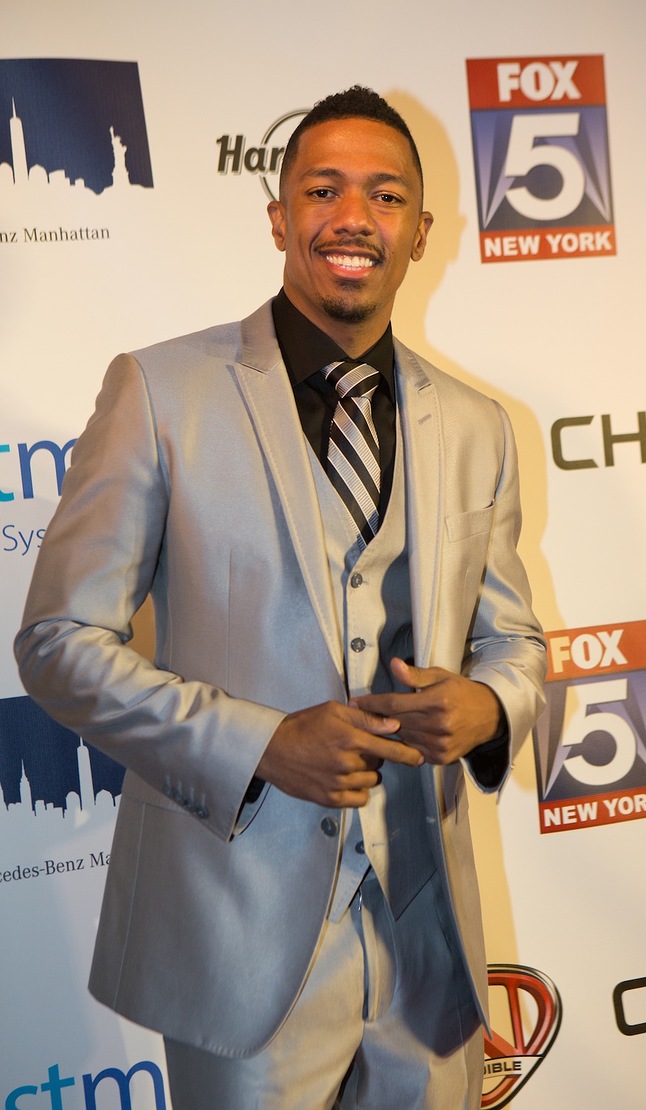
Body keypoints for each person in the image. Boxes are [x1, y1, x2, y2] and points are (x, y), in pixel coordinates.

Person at [15, 86, 546, 1109]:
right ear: (278, 217)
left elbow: (512, 640)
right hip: (237, 938)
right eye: (323, 189)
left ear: (419, 231)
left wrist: (485, 705)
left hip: (427, 951)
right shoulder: (161, 392)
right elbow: (57, 640)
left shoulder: (477, 424)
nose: (353, 217)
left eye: (384, 195)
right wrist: (260, 744)